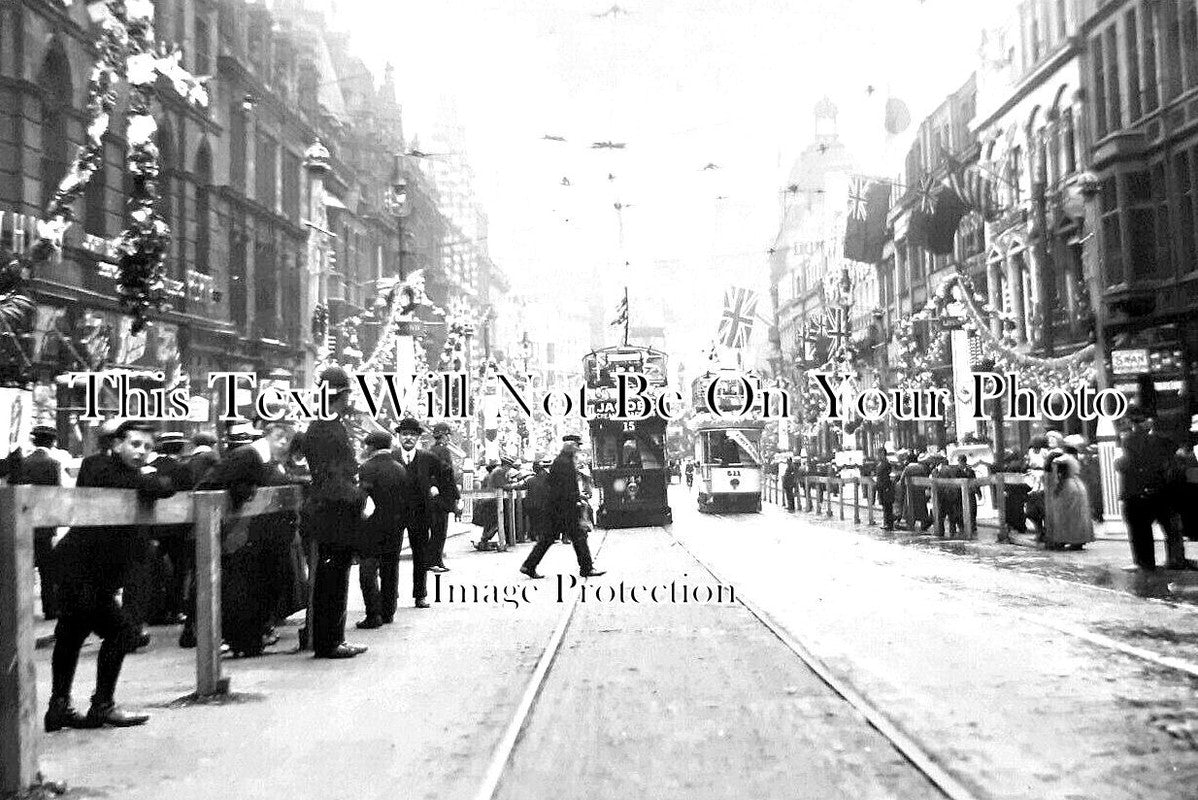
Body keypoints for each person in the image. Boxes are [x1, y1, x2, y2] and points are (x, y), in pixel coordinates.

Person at [45, 421, 175, 731]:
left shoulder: (131, 475)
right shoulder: (97, 465)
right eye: (134, 444)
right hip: (80, 570)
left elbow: (169, 485)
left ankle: (59, 708)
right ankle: (100, 706)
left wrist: (149, 479)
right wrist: (148, 478)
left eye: (147, 447)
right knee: (120, 633)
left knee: (71, 635)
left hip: (90, 574)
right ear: (116, 445)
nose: (141, 452)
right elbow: (149, 485)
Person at [195, 419, 300, 656]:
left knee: (254, 588)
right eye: (279, 438)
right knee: (243, 589)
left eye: (287, 440)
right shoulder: (248, 456)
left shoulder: (262, 460)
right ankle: (243, 641)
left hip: (251, 536)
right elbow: (211, 484)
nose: (284, 444)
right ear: (267, 436)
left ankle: (249, 641)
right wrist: (239, 494)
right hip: (238, 535)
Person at [301, 366, 369, 659]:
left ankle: (329, 639)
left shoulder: (323, 426)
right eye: (345, 395)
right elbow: (334, 479)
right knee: (334, 579)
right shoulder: (327, 430)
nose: (348, 400)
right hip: (334, 514)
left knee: (332, 577)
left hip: (329, 511)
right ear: (338, 396)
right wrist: (361, 497)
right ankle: (331, 641)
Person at [1116, 407, 1194, 570]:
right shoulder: (1165, 441)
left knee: (1140, 531)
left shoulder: (1130, 440)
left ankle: (1145, 562)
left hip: (1139, 494)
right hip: (1163, 491)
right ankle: (1175, 559)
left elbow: (1129, 465)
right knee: (1171, 529)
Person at [393, 418, 456, 608]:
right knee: (391, 554)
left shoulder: (428, 458)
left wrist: (439, 493)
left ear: (418, 437)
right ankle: (391, 592)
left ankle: (420, 595)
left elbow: (446, 474)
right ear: (399, 436)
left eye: (412, 434)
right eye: (405, 434)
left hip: (420, 512)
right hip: (395, 513)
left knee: (420, 554)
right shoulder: (391, 457)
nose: (408, 438)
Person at [520, 446, 606, 580]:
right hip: (564, 509)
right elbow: (567, 488)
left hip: (557, 508)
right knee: (579, 537)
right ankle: (586, 568)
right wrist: (576, 500)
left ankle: (529, 565)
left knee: (548, 539)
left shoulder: (559, 463)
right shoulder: (565, 464)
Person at [354, 432, 410, 629]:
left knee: (368, 568)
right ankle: (388, 611)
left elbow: (363, 497)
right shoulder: (399, 468)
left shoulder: (367, 468)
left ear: (372, 447)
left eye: (366, 446)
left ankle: (373, 614)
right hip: (396, 525)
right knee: (390, 567)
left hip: (373, 524)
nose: (364, 449)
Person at [9, 425, 65, 620]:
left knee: (23, 567)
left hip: (23, 523)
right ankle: (50, 609)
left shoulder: (23, 462)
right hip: (44, 525)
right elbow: (56, 495)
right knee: (47, 570)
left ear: (34, 441)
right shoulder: (53, 464)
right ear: (53, 442)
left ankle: (21, 611)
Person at [1043, 445, 1096, 551]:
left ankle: (1063, 539)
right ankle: (1079, 540)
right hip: (1078, 485)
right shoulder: (1073, 459)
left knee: (1065, 515)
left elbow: (1053, 470)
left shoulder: (1062, 459)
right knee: (1078, 514)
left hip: (1067, 487)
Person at [426, 422, 458, 572]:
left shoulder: (431, 450)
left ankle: (433, 561)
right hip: (442, 497)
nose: (448, 438)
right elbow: (447, 474)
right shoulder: (443, 451)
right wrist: (455, 495)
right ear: (444, 436)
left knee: (435, 530)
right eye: (447, 435)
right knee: (440, 531)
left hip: (433, 496)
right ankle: (435, 561)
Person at [872, 449, 895, 531]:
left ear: (883, 454)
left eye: (879, 454)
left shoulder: (886, 463)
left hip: (886, 487)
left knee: (887, 506)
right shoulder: (880, 464)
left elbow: (886, 475)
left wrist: (886, 487)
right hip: (881, 487)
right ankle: (886, 523)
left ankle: (889, 524)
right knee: (884, 506)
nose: (878, 456)